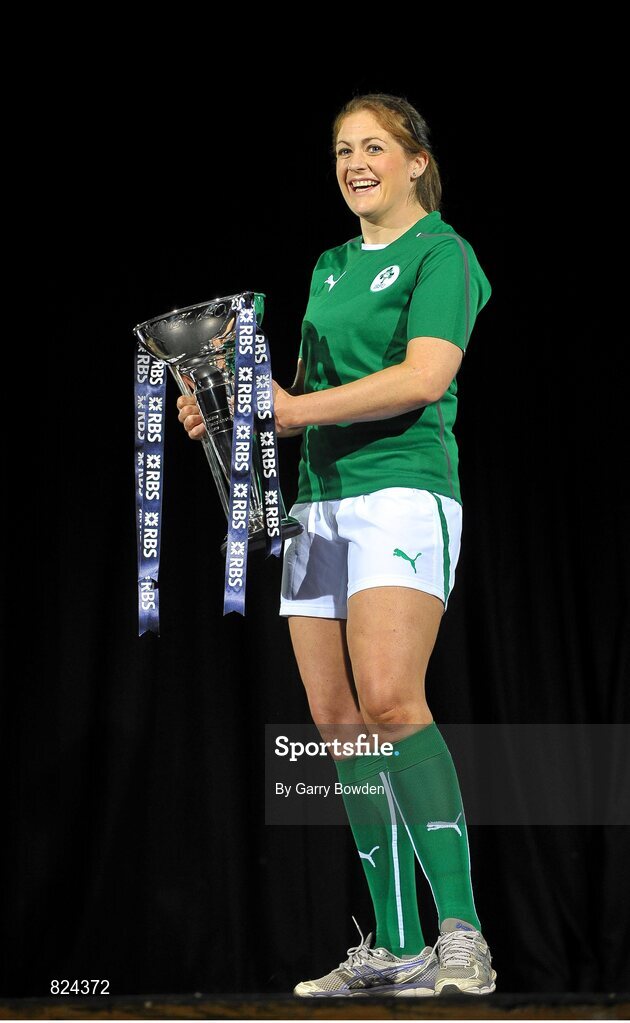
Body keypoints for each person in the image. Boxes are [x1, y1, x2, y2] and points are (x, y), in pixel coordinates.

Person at [177, 92, 496, 999]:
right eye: (342, 151)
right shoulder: (328, 267)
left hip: (402, 490)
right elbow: (303, 397)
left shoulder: (444, 254)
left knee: (393, 702)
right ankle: (395, 944)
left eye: (375, 147)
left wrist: (292, 408)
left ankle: (462, 934)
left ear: (416, 161)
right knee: (339, 724)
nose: (355, 163)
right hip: (318, 504)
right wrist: (234, 415)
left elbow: (423, 375)